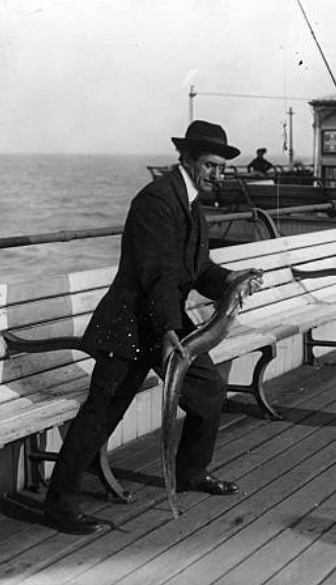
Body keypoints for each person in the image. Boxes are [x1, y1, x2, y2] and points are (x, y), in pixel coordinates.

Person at [42, 120, 262, 534]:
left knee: (209, 392)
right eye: (211, 165)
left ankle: (192, 472)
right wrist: (167, 330)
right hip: (131, 326)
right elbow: (156, 274)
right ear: (186, 159)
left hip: (164, 324)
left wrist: (232, 279)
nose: (218, 174)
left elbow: (197, 270)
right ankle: (58, 503)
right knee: (101, 413)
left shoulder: (191, 202)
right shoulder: (156, 201)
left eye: (222, 167)